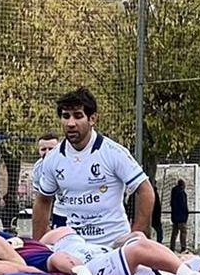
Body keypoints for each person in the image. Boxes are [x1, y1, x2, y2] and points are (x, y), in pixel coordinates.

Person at [32, 88, 155, 246]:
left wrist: (135, 236)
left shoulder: (113, 153)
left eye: (78, 116)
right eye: (65, 116)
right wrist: (38, 245)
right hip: (73, 247)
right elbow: (42, 200)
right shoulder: (53, 159)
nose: (70, 123)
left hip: (112, 246)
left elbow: (145, 190)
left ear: (92, 119)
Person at [169, 179, 190, 252]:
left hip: (175, 216)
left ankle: (172, 247)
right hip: (182, 217)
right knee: (183, 232)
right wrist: (186, 213)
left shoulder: (174, 193)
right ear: (183, 185)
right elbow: (183, 205)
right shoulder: (182, 193)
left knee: (174, 233)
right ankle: (183, 247)